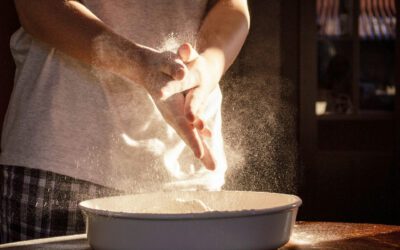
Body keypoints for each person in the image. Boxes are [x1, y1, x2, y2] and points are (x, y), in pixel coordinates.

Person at [0, 0, 250, 243]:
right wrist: (138, 63)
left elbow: (231, 5)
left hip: (187, 172)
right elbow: (37, 8)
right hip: (63, 163)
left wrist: (208, 67)